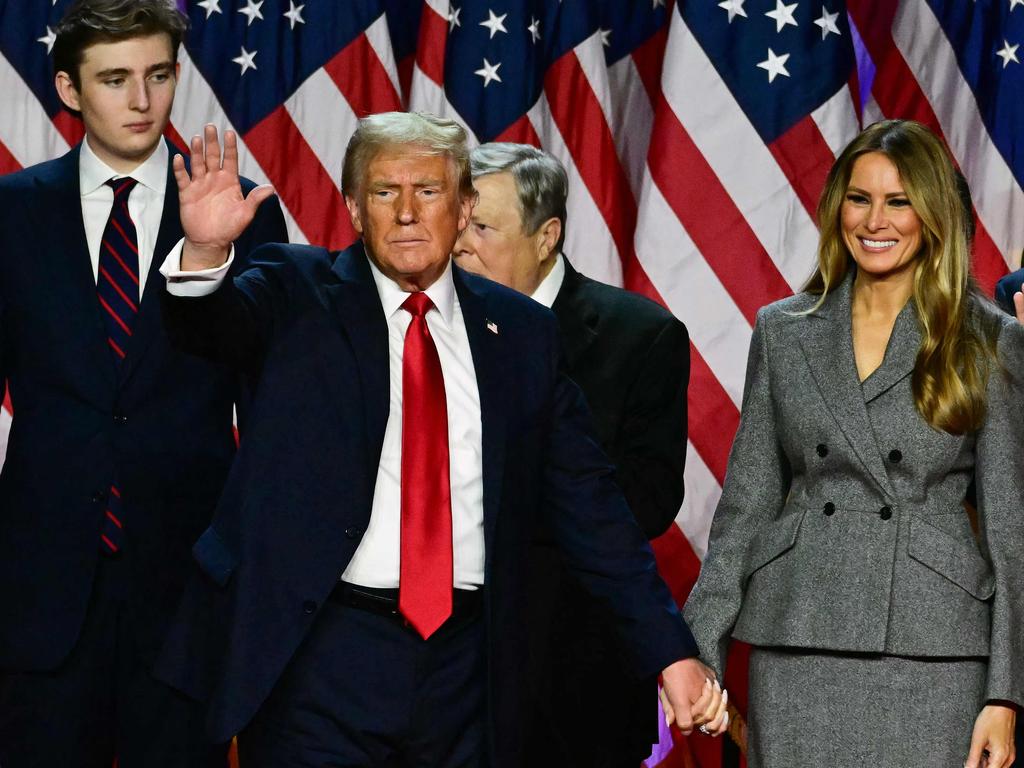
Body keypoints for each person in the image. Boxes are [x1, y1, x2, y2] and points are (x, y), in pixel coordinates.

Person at [153, 111, 727, 768]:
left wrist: (671, 653)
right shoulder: (295, 291)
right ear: (353, 207)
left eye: (427, 190)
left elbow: (594, 510)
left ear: (463, 207)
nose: (406, 212)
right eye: (384, 191)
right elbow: (212, 329)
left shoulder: (522, 336)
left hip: (469, 668)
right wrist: (202, 256)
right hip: (320, 654)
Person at [683, 119, 1023, 768]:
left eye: (899, 201)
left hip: (935, 645)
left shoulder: (987, 338)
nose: (876, 219)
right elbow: (747, 505)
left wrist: (1005, 696)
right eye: (859, 198)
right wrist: (701, 644)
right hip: (800, 633)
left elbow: (1012, 534)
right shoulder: (783, 331)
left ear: (933, 214)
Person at [0, 1, 287, 766]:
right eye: (116, 79)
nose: (141, 101)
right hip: (40, 588)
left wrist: (206, 258)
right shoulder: (12, 212)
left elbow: (268, 398)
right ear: (68, 88)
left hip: (188, 589)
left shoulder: (245, 214)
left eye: (159, 76)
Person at [453, 142, 689, 767]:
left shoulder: (638, 336)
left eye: (480, 225)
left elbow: (650, 499)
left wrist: (504, 505)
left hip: (576, 680)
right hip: (447, 678)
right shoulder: (427, 328)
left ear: (546, 235)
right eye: (457, 219)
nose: (458, 242)